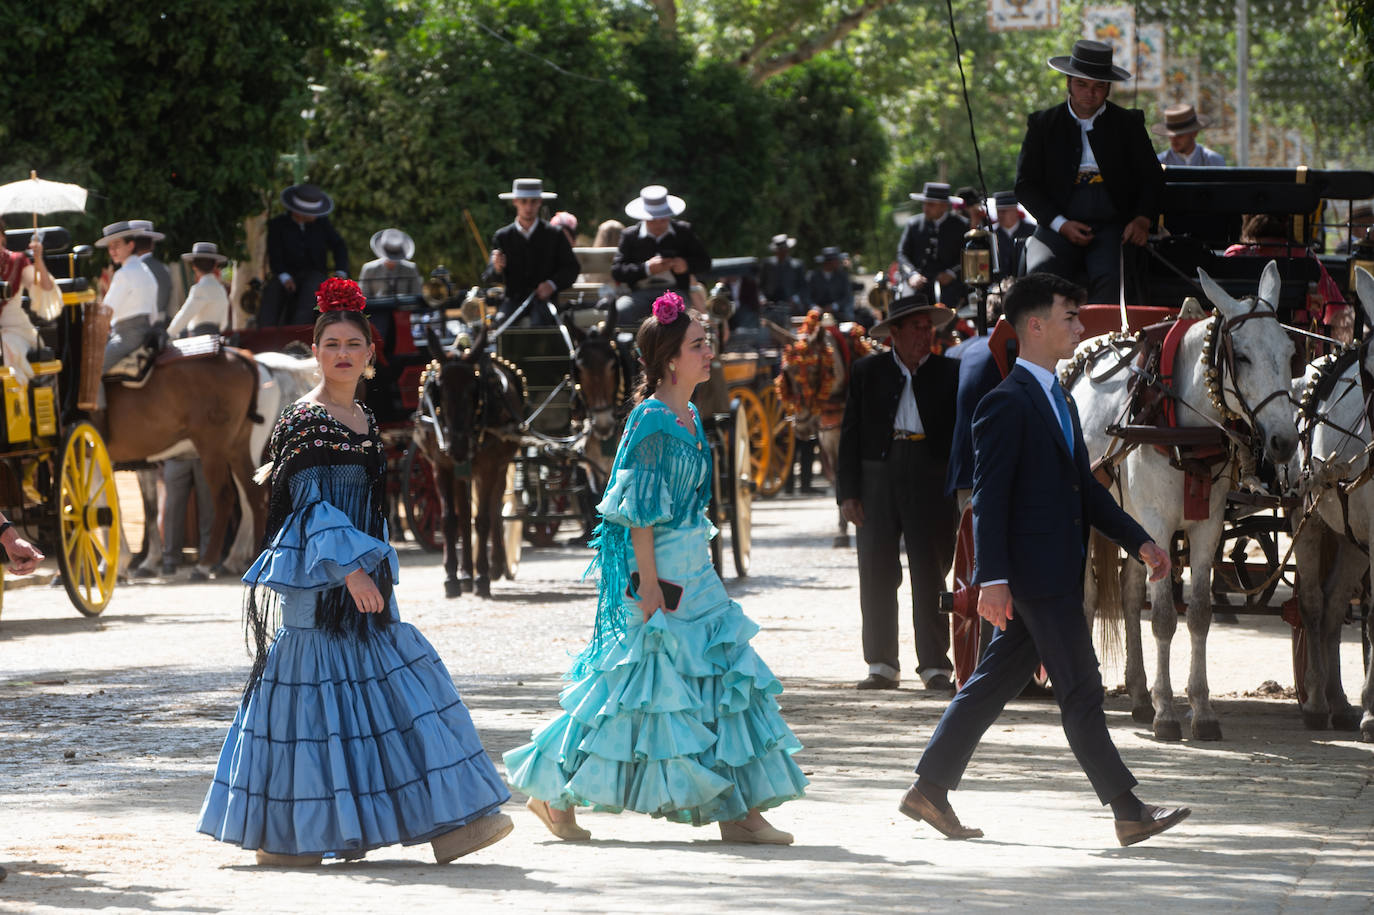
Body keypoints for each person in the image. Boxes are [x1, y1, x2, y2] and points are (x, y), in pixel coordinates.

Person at [198, 278, 512, 865]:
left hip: (366, 585)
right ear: (314, 353)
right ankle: (293, 839)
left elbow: (367, 508)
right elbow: (310, 507)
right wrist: (349, 573)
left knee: (396, 697)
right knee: (319, 709)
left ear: (371, 358)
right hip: (322, 587)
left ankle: (445, 826)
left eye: (353, 345)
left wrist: (375, 571)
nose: (342, 353)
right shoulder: (304, 420)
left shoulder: (366, 421)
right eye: (331, 344)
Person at [504, 291, 807, 845]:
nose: (709, 350)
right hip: (661, 573)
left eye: (707, 341)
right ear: (671, 358)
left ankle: (737, 809)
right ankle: (548, 789)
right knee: (629, 692)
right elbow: (637, 512)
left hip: (696, 566)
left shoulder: (689, 413)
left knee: (722, 677)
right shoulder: (649, 420)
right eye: (698, 344)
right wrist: (645, 582)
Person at [900, 272, 1190, 847]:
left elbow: (1083, 488)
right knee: (1082, 690)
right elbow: (989, 499)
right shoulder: (1004, 404)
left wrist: (1139, 541)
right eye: (1069, 317)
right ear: (1035, 325)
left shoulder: (1056, 394)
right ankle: (1128, 810)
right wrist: (993, 580)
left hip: (1053, 573)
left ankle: (929, 789)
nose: (1080, 328)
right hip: (1036, 580)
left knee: (987, 686)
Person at [837, 294, 959, 691]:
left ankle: (936, 666)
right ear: (896, 333)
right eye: (918, 329)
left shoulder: (949, 373)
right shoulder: (867, 372)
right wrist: (848, 493)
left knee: (930, 570)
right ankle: (882, 664)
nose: (927, 336)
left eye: (930, 328)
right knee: (875, 569)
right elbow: (850, 435)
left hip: (930, 473)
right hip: (877, 475)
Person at [1016, 40, 1163, 304]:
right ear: (1068, 83)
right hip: (1057, 223)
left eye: (1098, 86)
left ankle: (1105, 344)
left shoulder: (1128, 124)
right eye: (1082, 84)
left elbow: (1152, 178)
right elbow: (1025, 184)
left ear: (1108, 88)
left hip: (1112, 226)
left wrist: (1142, 219)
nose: (1090, 93)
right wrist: (1061, 224)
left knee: (1112, 279)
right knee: (1040, 275)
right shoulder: (1043, 124)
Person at [161, 242, 231, 577]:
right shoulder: (220, 288)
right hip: (219, 342)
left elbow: (180, 322)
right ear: (216, 265)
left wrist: (166, 336)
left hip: (196, 343)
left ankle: (171, 557)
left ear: (194, 267)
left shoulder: (200, 287)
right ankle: (209, 553)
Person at [481, 178, 580, 327]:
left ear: (540, 202)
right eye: (523, 201)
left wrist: (552, 284)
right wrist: (497, 267)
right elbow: (489, 276)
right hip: (513, 301)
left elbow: (572, 268)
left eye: (533, 201)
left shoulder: (555, 234)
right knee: (502, 324)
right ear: (515, 202)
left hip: (544, 302)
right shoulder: (502, 236)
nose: (528, 206)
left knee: (541, 325)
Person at [611, 185, 710, 325]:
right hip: (639, 293)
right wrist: (647, 268)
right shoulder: (630, 236)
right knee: (620, 311)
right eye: (652, 219)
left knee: (680, 316)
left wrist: (685, 265)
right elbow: (617, 271)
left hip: (675, 292)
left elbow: (705, 262)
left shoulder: (683, 231)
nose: (658, 223)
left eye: (662, 218)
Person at [260, 183, 350, 326]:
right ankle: (265, 333)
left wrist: (340, 271)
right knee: (272, 292)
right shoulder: (277, 225)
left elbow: (339, 245)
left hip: (315, 273)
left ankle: (300, 330)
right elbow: (275, 253)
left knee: (311, 292)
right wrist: (285, 277)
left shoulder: (322, 224)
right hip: (287, 273)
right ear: (299, 212)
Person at [96, 220, 161, 374]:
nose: (112, 251)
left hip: (126, 336)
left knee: (92, 371)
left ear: (130, 245)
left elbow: (106, 310)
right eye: (110, 247)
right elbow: (153, 313)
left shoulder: (123, 274)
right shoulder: (146, 271)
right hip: (146, 332)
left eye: (116, 245)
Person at [0, 226, 59, 385]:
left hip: (15, 331)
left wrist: (38, 258)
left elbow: (45, 289)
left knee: (6, 347)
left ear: (2, 237)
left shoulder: (16, 261)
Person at [898, 182, 970, 310]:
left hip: (950, 286)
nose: (925, 208)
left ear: (943, 206)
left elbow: (967, 254)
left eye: (930, 204)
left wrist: (951, 273)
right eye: (925, 203)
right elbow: (902, 254)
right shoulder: (913, 225)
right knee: (907, 306)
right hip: (918, 283)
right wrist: (912, 275)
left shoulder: (961, 225)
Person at [1153, 103, 1226, 167]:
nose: (1173, 140)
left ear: (1194, 133)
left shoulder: (1213, 161)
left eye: (1179, 135)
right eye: (1171, 136)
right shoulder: (1159, 163)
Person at [358, 228, 422, 299]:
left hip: (404, 309)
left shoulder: (411, 269)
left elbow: (417, 296)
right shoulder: (369, 269)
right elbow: (364, 298)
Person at [132, 229, 173, 328]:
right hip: (161, 323)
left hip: (140, 326)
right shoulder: (164, 268)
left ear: (131, 245)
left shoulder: (134, 269)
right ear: (152, 245)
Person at [759, 233, 808, 314]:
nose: (782, 252)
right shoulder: (767, 265)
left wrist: (795, 299)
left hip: (791, 305)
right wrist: (762, 299)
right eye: (780, 250)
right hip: (770, 305)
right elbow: (760, 285)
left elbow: (803, 287)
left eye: (784, 250)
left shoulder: (797, 265)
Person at [991, 191, 1034, 279]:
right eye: (998, 211)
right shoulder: (990, 233)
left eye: (1004, 211)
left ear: (1015, 211)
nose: (1000, 215)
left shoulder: (1032, 231)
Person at [806, 246, 853, 321]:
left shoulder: (843, 276)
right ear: (828, 262)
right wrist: (815, 307)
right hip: (817, 314)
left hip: (839, 313)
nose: (839, 262)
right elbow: (807, 296)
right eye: (837, 260)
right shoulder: (813, 276)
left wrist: (835, 306)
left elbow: (847, 296)